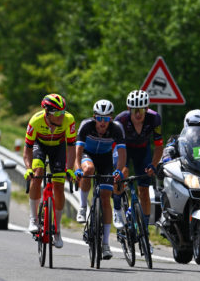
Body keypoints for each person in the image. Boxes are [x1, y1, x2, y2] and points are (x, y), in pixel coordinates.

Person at [73, 99, 125, 260]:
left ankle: (105, 244)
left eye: (107, 119)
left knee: (105, 198)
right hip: (87, 155)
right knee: (88, 169)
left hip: (105, 159)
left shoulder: (116, 129)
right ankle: (82, 207)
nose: (103, 123)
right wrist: (78, 170)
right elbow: (78, 153)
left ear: (111, 118)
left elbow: (122, 154)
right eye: (100, 119)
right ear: (94, 117)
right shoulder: (86, 126)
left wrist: (119, 171)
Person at [23, 93, 77, 249]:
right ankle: (33, 219)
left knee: (59, 187)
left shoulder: (69, 120)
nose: (62, 116)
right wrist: (28, 169)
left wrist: (70, 169)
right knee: (38, 173)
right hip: (39, 146)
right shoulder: (35, 121)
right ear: (47, 113)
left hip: (58, 148)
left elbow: (71, 147)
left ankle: (57, 230)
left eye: (63, 112)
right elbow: (27, 151)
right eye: (57, 113)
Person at [112, 89, 163, 230]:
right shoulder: (120, 120)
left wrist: (153, 165)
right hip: (123, 149)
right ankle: (117, 209)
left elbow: (159, 145)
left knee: (144, 191)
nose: (138, 114)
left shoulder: (155, 119)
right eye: (135, 110)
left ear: (147, 108)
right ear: (129, 109)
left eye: (141, 109)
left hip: (142, 150)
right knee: (122, 173)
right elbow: (114, 146)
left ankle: (144, 232)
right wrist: (119, 168)